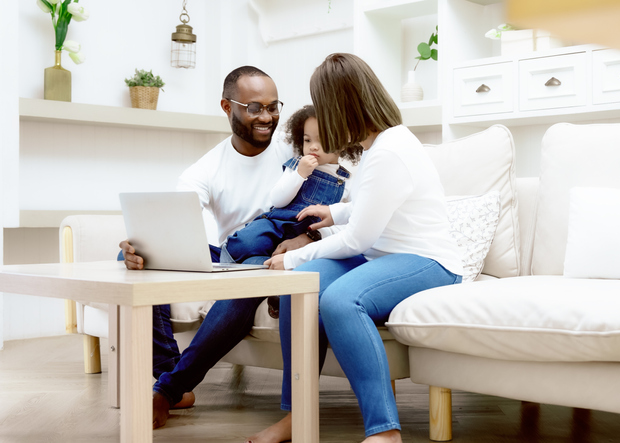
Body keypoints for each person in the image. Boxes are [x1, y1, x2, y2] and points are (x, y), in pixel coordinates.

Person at [248, 53, 464, 443]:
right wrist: (335, 211)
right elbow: (374, 205)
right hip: (384, 256)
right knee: (300, 287)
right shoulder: (376, 147)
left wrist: (293, 256)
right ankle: (297, 415)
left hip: (429, 261)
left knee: (340, 300)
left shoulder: (389, 151)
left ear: (339, 106)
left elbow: (356, 241)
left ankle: (385, 430)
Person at [119, 66, 317, 429]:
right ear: (227, 107)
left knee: (248, 275)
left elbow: (337, 203)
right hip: (232, 254)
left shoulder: (298, 149)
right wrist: (140, 245)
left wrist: (309, 238)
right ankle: (170, 374)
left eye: (273, 107)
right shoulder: (207, 168)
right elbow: (172, 225)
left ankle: (168, 390)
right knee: (134, 257)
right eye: (254, 108)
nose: (267, 117)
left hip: (272, 256)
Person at [219, 104, 359, 265]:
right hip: (276, 225)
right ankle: (225, 258)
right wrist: (300, 174)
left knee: (265, 263)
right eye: (307, 140)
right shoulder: (297, 165)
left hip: (306, 235)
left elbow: (348, 220)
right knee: (247, 243)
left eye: (322, 140)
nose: (313, 146)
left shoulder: (347, 181)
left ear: (342, 143)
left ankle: (254, 265)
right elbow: (277, 200)